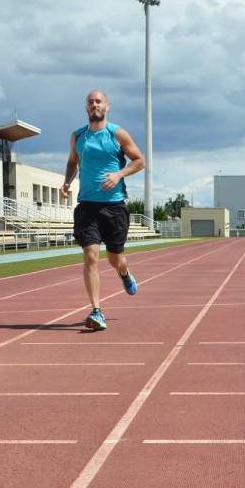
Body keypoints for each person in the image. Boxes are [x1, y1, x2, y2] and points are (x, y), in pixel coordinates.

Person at [61, 90, 146, 331]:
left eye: (98, 101)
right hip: (87, 206)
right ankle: (97, 310)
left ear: (107, 106)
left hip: (114, 206)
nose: (94, 104)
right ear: (86, 108)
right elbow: (72, 161)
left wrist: (118, 174)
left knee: (114, 259)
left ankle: (124, 272)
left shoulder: (117, 134)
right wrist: (67, 181)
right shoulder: (77, 136)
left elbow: (140, 160)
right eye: (90, 101)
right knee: (90, 256)